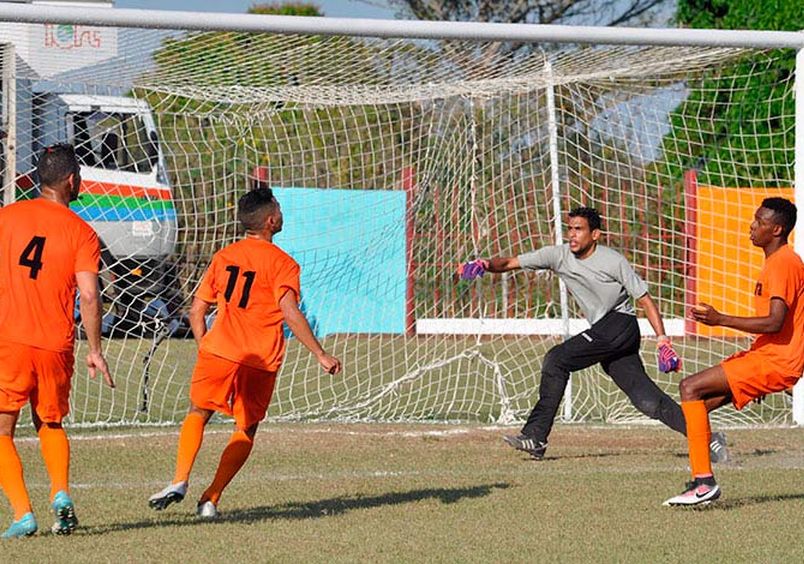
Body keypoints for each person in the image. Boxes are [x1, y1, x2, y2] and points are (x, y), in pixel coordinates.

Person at [459, 207, 727, 461]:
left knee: (557, 359)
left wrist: (662, 340)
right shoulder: (558, 255)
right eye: (570, 229)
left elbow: (644, 299)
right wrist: (484, 264)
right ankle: (709, 438)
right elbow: (511, 262)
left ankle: (535, 436)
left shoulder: (613, 261)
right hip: (606, 332)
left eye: (579, 229)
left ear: (595, 234)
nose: (572, 235)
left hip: (620, 325)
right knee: (646, 401)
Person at [149, 187, 342, 519]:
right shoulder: (284, 264)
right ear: (270, 221)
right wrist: (320, 354)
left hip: (219, 352)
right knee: (246, 427)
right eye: (279, 209)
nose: (282, 214)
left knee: (198, 412)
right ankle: (210, 498)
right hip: (260, 359)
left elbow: (196, 312)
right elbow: (290, 311)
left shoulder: (224, 257)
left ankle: (179, 480)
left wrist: (206, 347)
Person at [0, 144, 114, 539]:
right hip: (55, 344)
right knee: (49, 420)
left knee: (3, 429)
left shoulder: (6, 217)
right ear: (71, 181)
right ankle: (61, 493)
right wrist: (95, 350)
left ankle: (22, 514)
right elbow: (89, 296)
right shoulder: (83, 232)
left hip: (9, 340)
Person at [664, 197, 804, 506]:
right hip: (768, 357)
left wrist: (719, 319)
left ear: (777, 229)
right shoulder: (776, 261)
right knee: (699, 405)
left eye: (760, 222)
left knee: (690, 387)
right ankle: (703, 473)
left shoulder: (784, 262)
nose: (752, 227)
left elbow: (775, 322)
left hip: (776, 360)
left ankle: (704, 483)